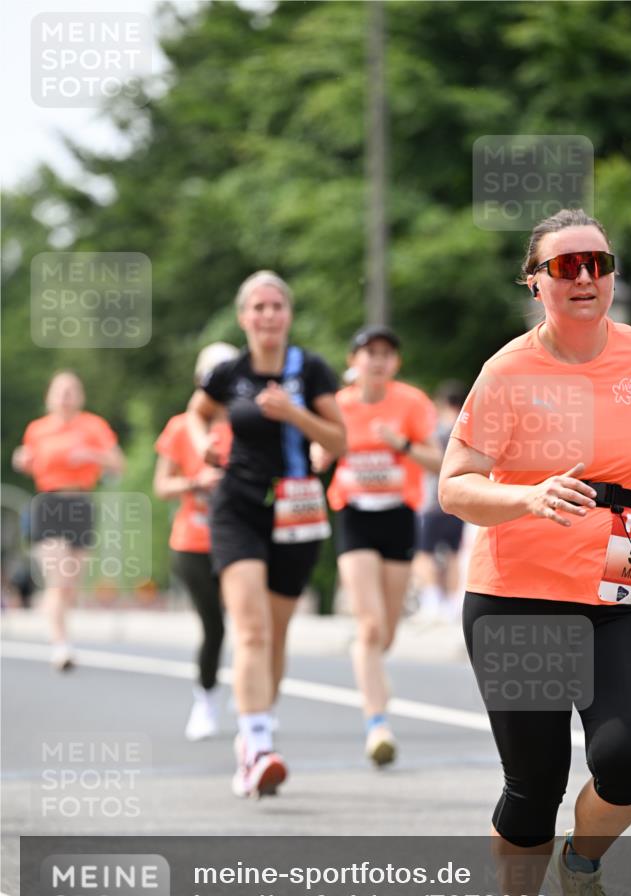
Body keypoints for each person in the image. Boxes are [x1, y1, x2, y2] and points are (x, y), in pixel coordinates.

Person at [439, 208, 631, 896]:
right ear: (533, 281)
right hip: (517, 601)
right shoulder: (507, 372)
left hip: (615, 595)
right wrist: (529, 496)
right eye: (563, 267)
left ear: (610, 273)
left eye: (595, 264)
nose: (582, 279)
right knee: (533, 784)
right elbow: (454, 486)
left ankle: (583, 863)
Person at [187, 271, 345, 797]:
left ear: (288, 314)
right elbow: (198, 411)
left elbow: (339, 440)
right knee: (250, 630)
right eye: (258, 307)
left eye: (276, 306)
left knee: (276, 635)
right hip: (238, 507)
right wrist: (204, 442)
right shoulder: (229, 372)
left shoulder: (311, 369)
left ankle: (257, 731)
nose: (268, 315)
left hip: (297, 509)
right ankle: (257, 747)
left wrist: (293, 413)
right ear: (244, 317)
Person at [316, 325, 441, 766]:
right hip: (354, 516)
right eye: (369, 352)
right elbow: (319, 453)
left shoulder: (411, 403)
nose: (378, 360)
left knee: (385, 633)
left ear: (396, 364)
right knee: (369, 626)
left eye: (387, 353)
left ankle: (370, 668)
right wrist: (323, 454)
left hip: (398, 517)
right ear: (354, 361)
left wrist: (400, 444)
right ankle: (377, 725)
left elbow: (439, 462)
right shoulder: (338, 405)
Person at [12, 371, 124, 670]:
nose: (65, 396)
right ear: (49, 396)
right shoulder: (37, 429)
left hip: (81, 503)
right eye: (60, 390)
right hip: (49, 502)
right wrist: (20, 460)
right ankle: (61, 645)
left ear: (80, 396)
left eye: (71, 390)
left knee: (72, 584)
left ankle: (53, 617)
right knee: (58, 579)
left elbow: (118, 464)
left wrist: (90, 454)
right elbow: (26, 459)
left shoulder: (93, 426)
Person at [154, 343, 238, 741]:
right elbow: (162, 485)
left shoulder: (249, 422)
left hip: (242, 537)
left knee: (254, 622)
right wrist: (196, 482)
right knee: (215, 626)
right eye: (212, 374)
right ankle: (205, 698)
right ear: (199, 382)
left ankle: (254, 695)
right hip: (193, 541)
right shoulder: (179, 427)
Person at [412, 380, 468, 621]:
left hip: (434, 501)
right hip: (460, 502)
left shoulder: (437, 431)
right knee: (453, 553)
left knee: (423, 553)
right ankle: (453, 604)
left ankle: (433, 600)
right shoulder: (467, 430)